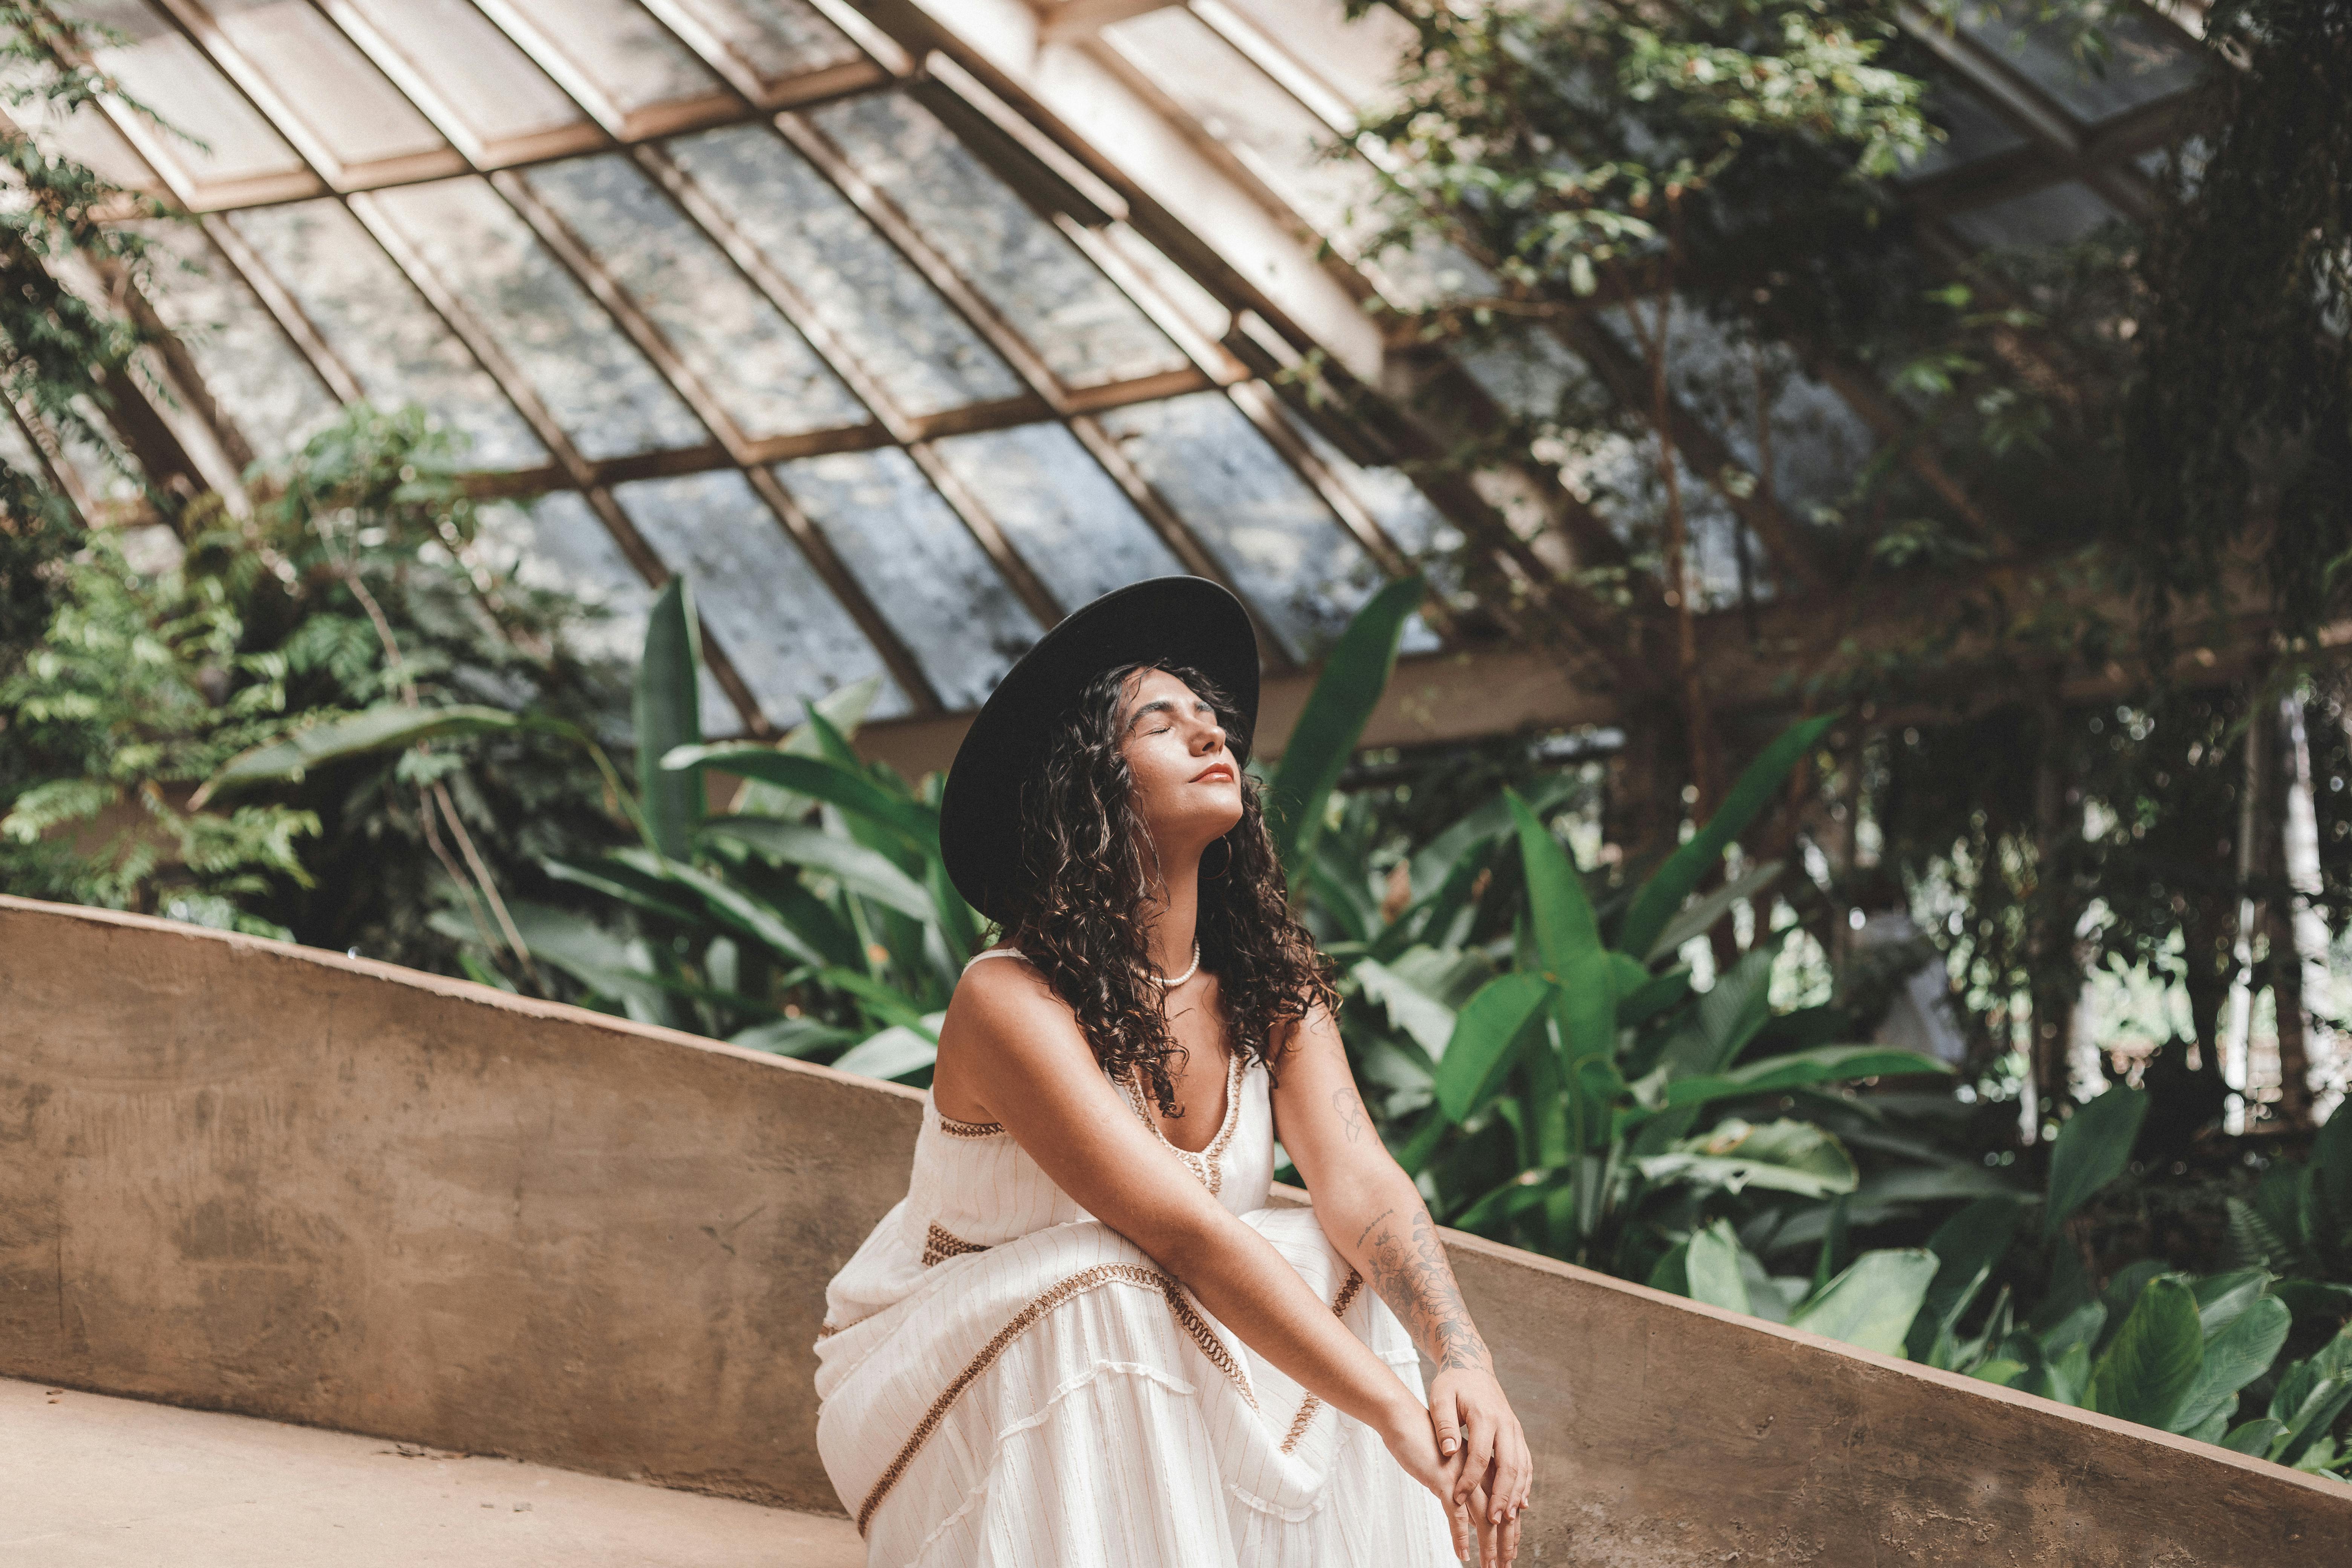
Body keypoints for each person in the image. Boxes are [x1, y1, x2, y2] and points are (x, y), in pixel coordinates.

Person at [813, 577, 1533, 1566]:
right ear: (1088, 791)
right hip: (935, 1383)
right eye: (1164, 725)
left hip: (1137, 1339)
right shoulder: (1009, 1000)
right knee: (1106, 1274)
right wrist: (1392, 1413)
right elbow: (1182, 1235)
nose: (1212, 739)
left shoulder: (1270, 989)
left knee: (1336, 1258)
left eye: (1212, 722)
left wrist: (1463, 1365)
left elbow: (1359, 1180)